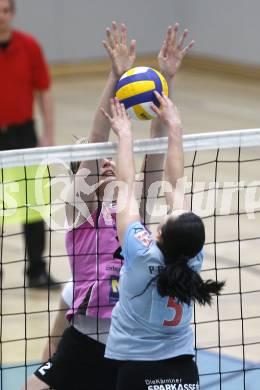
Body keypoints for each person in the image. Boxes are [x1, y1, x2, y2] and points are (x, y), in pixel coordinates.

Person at [23, 21, 194, 390]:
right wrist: (114, 75)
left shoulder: (134, 216)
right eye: (94, 162)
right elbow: (98, 136)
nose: (104, 162)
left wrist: (163, 81)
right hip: (85, 340)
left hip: (131, 341)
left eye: (107, 159)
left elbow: (157, 149)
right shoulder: (81, 214)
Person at [102, 94, 225, 390]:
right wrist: (175, 126)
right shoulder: (192, 256)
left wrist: (125, 133)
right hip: (182, 366)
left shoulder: (141, 252)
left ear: (159, 235)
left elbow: (127, 188)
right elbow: (175, 186)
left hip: (135, 366)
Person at [0, 0, 56, 288]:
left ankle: (36, 269)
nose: (1, 16)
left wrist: (47, 133)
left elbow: (44, 90)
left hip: (23, 135)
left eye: (5, 10)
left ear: (12, 14)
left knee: (32, 203)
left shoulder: (29, 46)